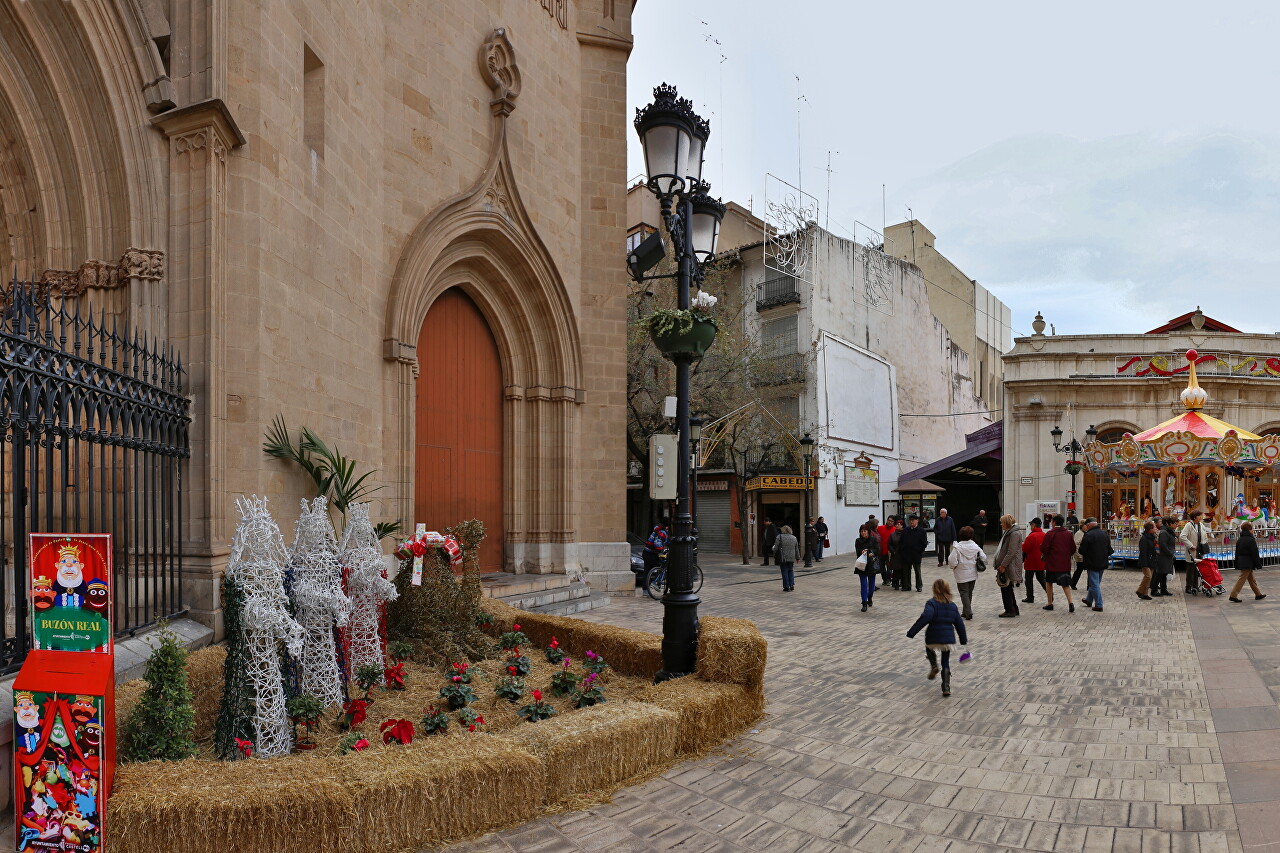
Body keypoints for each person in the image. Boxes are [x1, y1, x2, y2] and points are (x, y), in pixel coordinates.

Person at [907, 579, 968, 698]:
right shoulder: (952, 605)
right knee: (945, 661)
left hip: (933, 636)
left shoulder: (931, 603)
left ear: (934, 590)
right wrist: (963, 639)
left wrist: (912, 632)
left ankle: (934, 665)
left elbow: (926, 617)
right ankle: (946, 687)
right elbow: (959, 624)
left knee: (929, 647)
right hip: (948, 638)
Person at [1040, 514, 1077, 613]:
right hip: (1064, 564)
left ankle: (1049, 603)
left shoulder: (1050, 534)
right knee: (1065, 584)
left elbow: (1043, 548)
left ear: (1054, 522)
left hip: (1052, 563)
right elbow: (1073, 548)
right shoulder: (1068, 534)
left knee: (1049, 582)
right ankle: (1070, 603)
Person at [1078, 517, 1114, 612]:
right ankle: (1089, 600)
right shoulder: (1104, 533)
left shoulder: (1088, 535)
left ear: (1089, 525)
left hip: (1091, 562)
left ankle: (1099, 604)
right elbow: (1110, 550)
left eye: (1086, 525)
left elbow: (1082, 550)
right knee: (1095, 583)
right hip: (1102, 562)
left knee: (1094, 584)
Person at [947, 525, 983, 619]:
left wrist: (954, 566)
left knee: (963, 592)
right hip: (973, 573)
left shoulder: (957, 548)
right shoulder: (976, 547)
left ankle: (968, 611)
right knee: (969, 592)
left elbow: (951, 560)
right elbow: (984, 558)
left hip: (961, 574)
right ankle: (965, 611)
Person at [994, 514, 1024, 617]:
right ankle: (1013, 609)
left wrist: (1003, 565)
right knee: (1007, 587)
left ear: (1007, 523)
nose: (1001, 524)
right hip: (1008, 564)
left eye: (1002, 522)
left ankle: (1010, 610)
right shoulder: (1009, 532)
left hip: (1009, 565)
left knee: (1006, 587)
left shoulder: (1014, 534)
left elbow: (1011, 552)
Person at [1230, 521, 1268, 602]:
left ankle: (1258, 594)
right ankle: (1233, 595)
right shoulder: (1251, 540)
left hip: (1242, 561)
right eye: (1252, 529)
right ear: (1249, 530)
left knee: (1251, 579)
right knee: (1242, 578)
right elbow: (1254, 553)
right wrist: (1258, 564)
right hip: (1248, 562)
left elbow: (1237, 552)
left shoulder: (1240, 539)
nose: (1253, 530)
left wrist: (1236, 563)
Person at [1180, 510, 1212, 594]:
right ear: (1194, 517)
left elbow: (1204, 536)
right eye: (1199, 516)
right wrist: (1190, 545)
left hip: (1199, 550)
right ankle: (1188, 586)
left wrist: (1204, 544)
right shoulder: (1188, 525)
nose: (1200, 517)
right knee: (1190, 569)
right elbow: (1182, 536)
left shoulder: (1201, 525)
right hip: (1192, 550)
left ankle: (1195, 586)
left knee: (1197, 569)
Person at [899, 514, 928, 592]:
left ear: (917, 521)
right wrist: (903, 550)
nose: (911, 522)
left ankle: (919, 586)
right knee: (906, 571)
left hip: (916, 554)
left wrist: (920, 551)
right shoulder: (905, 530)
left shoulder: (921, 531)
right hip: (906, 554)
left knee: (917, 571)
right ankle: (907, 585)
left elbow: (924, 543)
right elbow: (901, 542)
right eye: (910, 520)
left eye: (913, 520)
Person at [854, 524, 879, 611]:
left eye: (865, 531)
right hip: (862, 565)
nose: (863, 533)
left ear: (868, 531)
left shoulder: (873, 539)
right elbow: (857, 552)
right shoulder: (858, 541)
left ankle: (870, 597)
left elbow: (877, 549)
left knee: (871, 585)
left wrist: (871, 552)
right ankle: (864, 602)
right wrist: (862, 551)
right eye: (862, 531)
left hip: (871, 564)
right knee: (864, 585)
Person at [1022, 517, 1046, 603]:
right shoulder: (1044, 535)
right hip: (1041, 561)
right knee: (1042, 579)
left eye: (1031, 524)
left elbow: (1025, 549)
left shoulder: (1031, 536)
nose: (1030, 526)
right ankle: (1050, 594)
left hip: (1031, 562)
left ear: (1034, 525)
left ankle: (1030, 597)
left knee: (1028, 580)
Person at [1154, 516, 1177, 597]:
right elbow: (1163, 544)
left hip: (1167, 555)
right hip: (1164, 556)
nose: (1176, 525)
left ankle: (1164, 589)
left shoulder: (1168, 531)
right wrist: (1169, 552)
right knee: (1160, 573)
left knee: (1164, 573)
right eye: (1174, 523)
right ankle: (1154, 589)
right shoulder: (1164, 532)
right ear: (1168, 524)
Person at [773, 524, 799, 591]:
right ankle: (791, 584)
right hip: (791, 557)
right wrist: (797, 557)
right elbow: (796, 549)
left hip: (783, 557)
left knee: (784, 571)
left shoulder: (779, 537)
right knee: (790, 570)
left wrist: (773, 552)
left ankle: (786, 586)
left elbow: (776, 547)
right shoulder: (794, 538)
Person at [1136, 519, 1157, 600]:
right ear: (1150, 529)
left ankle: (1145, 593)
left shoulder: (1152, 537)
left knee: (1150, 577)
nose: (1156, 529)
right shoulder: (1144, 539)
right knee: (1148, 576)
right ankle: (1139, 590)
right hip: (1145, 560)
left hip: (1151, 560)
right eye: (1154, 527)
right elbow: (1143, 552)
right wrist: (1144, 563)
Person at [888, 517, 904, 589]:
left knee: (903, 570)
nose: (897, 526)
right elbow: (889, 544)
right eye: (896, 524)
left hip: (903, 554)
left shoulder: (905, 534)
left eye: (899, 524)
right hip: (895, 555)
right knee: (896, 570)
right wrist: (892, 551)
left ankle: (903, 584)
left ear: (902, 525)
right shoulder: (892, 535)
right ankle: (896, 584)